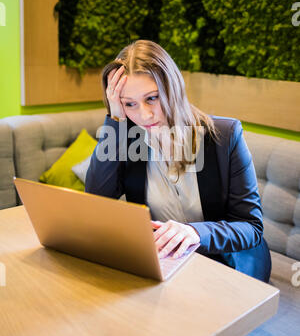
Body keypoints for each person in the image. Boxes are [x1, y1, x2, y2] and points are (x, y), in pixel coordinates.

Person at [85, 40, 271, 282]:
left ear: (172, 88)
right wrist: (115, 120)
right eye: (129, 103)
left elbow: (251, 227)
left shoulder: (225, 136)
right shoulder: (127, 139)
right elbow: (97, 198)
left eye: (151, 98)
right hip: (169, 263)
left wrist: (196, 232)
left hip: (227, 262)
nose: (144, 114)